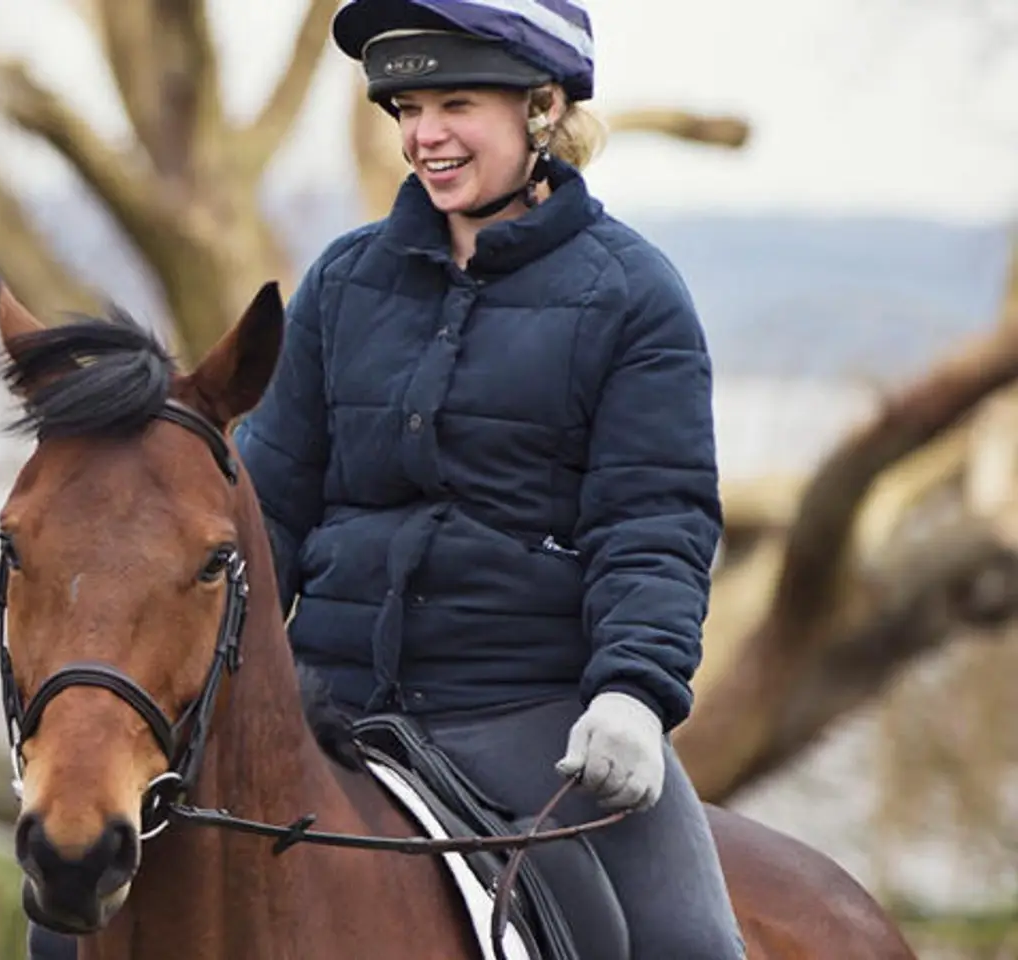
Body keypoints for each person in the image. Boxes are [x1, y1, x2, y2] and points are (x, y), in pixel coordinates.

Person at [230, 1, 745, 957]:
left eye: (455, 103)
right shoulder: (342, 284)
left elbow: (654, 522)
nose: (425, 136)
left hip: (526, 713)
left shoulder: (634, 295)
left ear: (543, 108)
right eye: (407, 107)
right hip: (325, 701)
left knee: (688, 946)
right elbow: (269, 505)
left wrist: (634, 691)